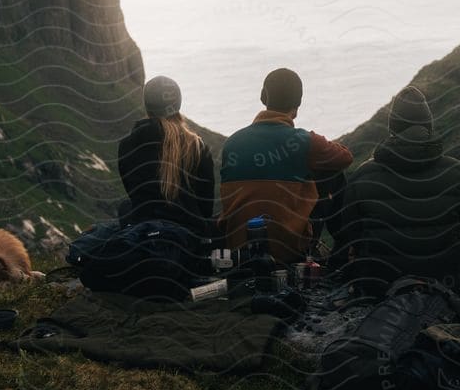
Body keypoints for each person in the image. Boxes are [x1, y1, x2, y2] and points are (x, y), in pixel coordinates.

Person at [334, 85, 460, 296]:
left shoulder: (363, 175)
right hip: (444, 284)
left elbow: (349, 235)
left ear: (392, 128)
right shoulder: (457, 171)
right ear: (428, 126)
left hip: (378, 286)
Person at [218, 67, 353, 265]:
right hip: (288, 251)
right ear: (297, 105)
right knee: (333, 174)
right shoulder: (304, 141)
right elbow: (345, 157)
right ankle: (340, 256)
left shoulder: (232, 143)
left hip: (239, 249)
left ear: (263, 97)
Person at [115, 75, 217, 253]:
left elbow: (133, 193)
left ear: (147, 106)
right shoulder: (197, 146)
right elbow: (206, 206)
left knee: (126, 207)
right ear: (178, 104)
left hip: (144, 234)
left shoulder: (126, 145)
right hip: (189, 239)